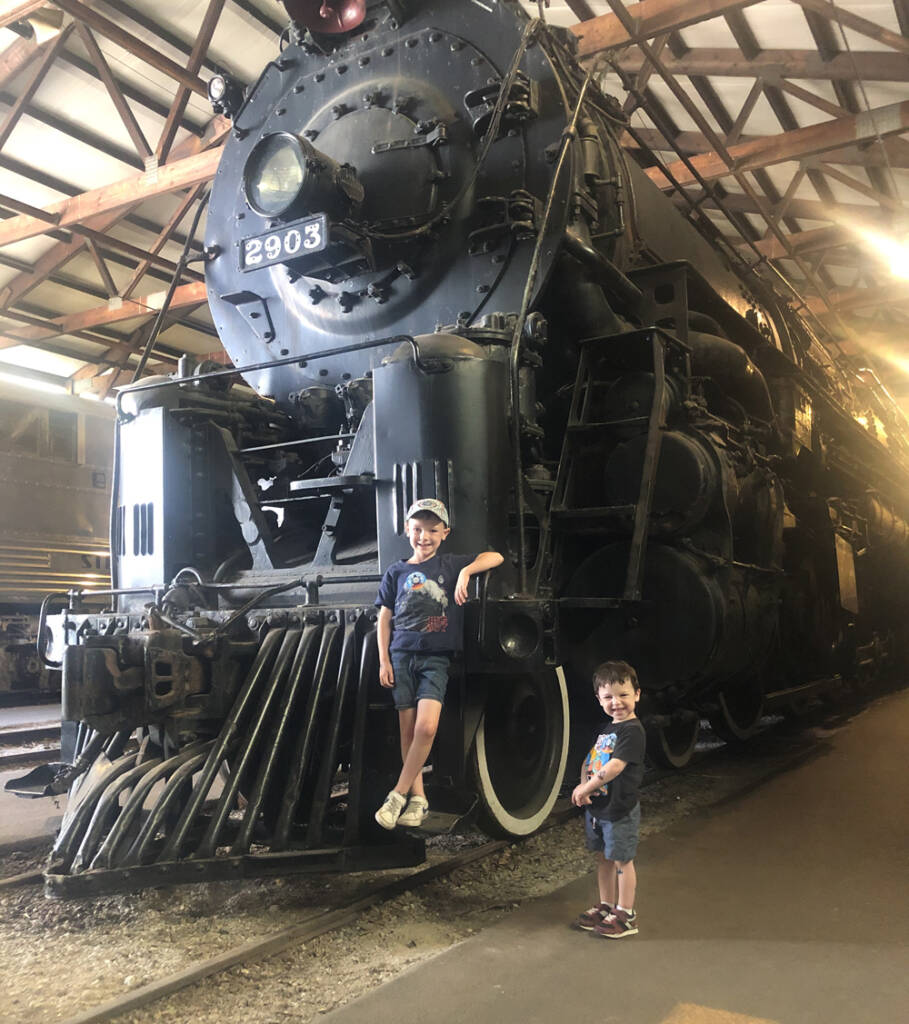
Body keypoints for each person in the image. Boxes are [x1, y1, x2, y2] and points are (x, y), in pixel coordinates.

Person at [374, 498, 504, 830]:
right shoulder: (396, 571)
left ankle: (397, 794)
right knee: (407, 731)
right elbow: (384, 619)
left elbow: (496, 556)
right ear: (407, 531)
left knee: (426, 728)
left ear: (444, 533)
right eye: (417, 529)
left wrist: (466, 572)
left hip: (436, 658)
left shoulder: (449, 565)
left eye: (433, 530)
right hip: (401, 656)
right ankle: (418, 800)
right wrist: (383, 660)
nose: (424, 536)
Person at [571, 660, 646, 938]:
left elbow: (615, 766)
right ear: (599, 699)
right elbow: (590, 760)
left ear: (637, 694)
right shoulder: (606, 730)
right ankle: (606, 906)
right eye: (608, 697)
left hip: (620, 809)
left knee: (622, 861)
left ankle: (625, 914)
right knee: (603, 858)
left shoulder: (633, 731)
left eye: (623, 694)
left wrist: (587, 787)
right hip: (599, 809)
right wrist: (582, 785)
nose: (617, 702)